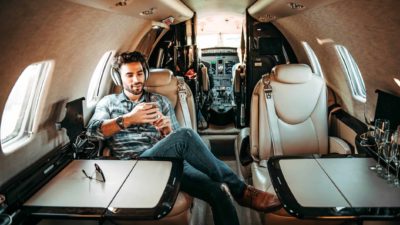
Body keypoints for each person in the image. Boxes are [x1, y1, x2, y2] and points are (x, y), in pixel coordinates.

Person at [86, 51, 281, 225]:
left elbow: (178, 142)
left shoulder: (159, 101)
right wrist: (128, 119)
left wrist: (167, 131)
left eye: (139, 73)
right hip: (135, 166)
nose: (136, 80)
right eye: (129, 75)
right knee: (186, 134)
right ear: (119, 78)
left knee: (218, 191)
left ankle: (234, 190)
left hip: (166, 162)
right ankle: (242, 191)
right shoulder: (108, 103)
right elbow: (92, 131)